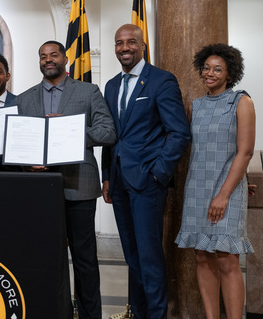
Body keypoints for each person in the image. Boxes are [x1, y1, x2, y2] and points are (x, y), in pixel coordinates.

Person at [17, 40, 116, 319]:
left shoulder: (88, 91)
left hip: (79, 186)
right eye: (43, 56)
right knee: (47, 259)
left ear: (65, 58)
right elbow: (19, 143)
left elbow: (108, 132)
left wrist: (70, 131)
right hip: (40, 190)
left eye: (53, 55)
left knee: (85, 260)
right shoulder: (25, 98)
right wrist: (27, 163)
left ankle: (89, 315)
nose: (48, 60)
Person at [101, 24, 190, 318]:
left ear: (142, 45)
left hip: (147, 183)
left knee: (150, 257)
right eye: (119, 43)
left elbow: (179, 133)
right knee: (132, 256)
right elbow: (111, 135)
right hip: (119, 182)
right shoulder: (112, 85)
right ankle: (138, 313)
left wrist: (159, 173)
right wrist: (106, 176)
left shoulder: (161, 81)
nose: (124, 48)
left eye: (130, 42)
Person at [175, 44, 254, 319]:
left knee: (226, 258)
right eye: (206, 68)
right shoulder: (196, 105)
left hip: (227, 191)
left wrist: (224, 194)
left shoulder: (241, 102)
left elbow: (244, 152)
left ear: (230, 73)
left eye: (217, 69)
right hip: (197, 187)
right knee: (201, 255)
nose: (210, 73)